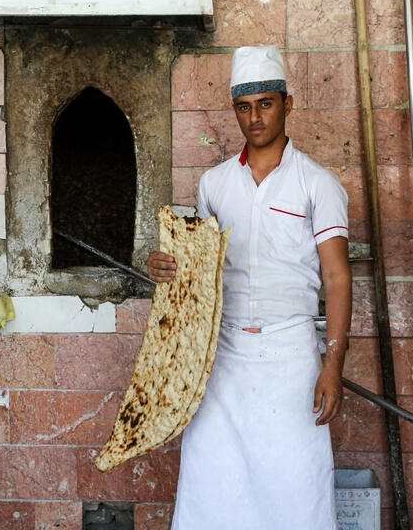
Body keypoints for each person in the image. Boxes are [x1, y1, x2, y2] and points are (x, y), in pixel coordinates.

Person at [147, 45, 352, 529]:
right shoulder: (214, 184)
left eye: (266, 103)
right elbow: (199, 269)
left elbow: (338, 277)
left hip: (291, 354)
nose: (255, 117)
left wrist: (333, 364)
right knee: (213, 483)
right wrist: (167, 267)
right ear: (235, 110)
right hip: (224, 356)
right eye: (244, 106)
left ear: (287, 104)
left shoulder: (318, 184)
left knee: (296, 484)